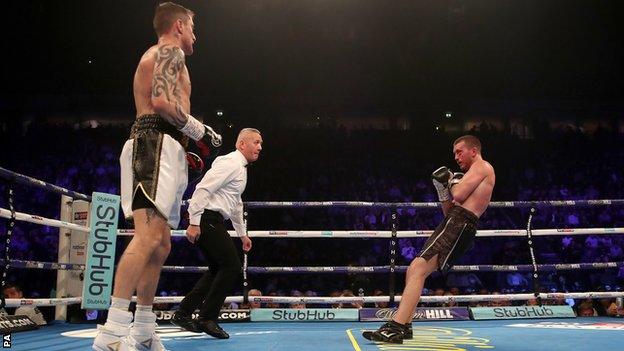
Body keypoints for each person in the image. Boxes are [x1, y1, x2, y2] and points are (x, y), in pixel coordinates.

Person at [93, 3, 222, 350]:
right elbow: (163, 102)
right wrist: (201, 131)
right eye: (193, 27)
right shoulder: (169, 51)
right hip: (153, 145)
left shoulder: (166, 54)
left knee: (161, 242)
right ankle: (112, 332)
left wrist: (185, 144)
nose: (196, 34)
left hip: (161, 145)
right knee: (148, 237)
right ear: (179, 26)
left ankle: (144, 330)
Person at [364, 135, 495, 344]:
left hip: (460, 224)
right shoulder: (471, 174)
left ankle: (396, 327)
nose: (456, 156)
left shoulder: (482, 166)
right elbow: (449, 210)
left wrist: (451, 180)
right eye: (454, 153)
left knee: (417, 268)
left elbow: (459, 195)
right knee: (414, 270)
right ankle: (404, 325)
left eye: (459, 151)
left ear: (474, 150)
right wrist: (442, 190)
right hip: (454, 222)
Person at [171, 128, 262, 339]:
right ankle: (207, 318)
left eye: (260, 143)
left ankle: (183, 313)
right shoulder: (230, 163)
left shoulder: (240, 167)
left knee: (216, 269)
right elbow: (203, 189)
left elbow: (235, 203)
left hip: (213, 219)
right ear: (241, 144)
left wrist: (242, 234)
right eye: (256, 142)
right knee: (231, 266)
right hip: (206, 218)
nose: (260, 147)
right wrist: (194, 222)